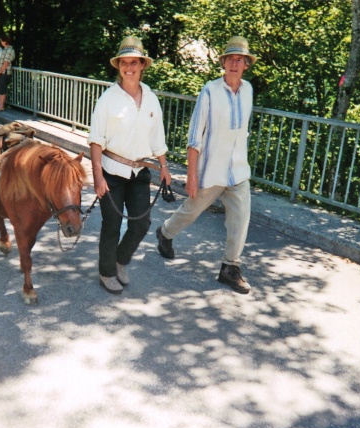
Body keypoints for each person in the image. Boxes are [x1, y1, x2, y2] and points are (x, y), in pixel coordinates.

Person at [155, 36, 257, 295]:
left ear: (246, 64)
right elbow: (194, 136)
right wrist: (192, 175)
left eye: (239, 59)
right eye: (230, 58)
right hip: (211, 170)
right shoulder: (210, 90)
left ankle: (230, 267)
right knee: (192, 210)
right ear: (223, 62)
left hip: (238, 171)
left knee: (241, 217)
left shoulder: (248, 90)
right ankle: (165, 233)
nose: (234, 63)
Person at [88, 35, 172, 294]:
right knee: (111, 224)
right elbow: (95, 141)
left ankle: (120, 261)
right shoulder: (108, 99)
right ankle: (106, 272)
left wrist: (164, 167)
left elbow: (157, 137)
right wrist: (98, 177)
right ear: (118, 66)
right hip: (111, 171)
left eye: (134, 62)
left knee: (141, 224)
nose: (129, 68)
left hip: (140, 172)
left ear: (142, 65)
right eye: (124, 62)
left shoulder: (151, 99)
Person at [0, 34, 15, 112]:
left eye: (2, 40)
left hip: (4, 72)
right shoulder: (5, 49)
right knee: (0, 89)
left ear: (5, 41)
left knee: (2, 90)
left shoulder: (9, 50)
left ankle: (1, 105)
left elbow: (6, 63)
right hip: (2, 72)